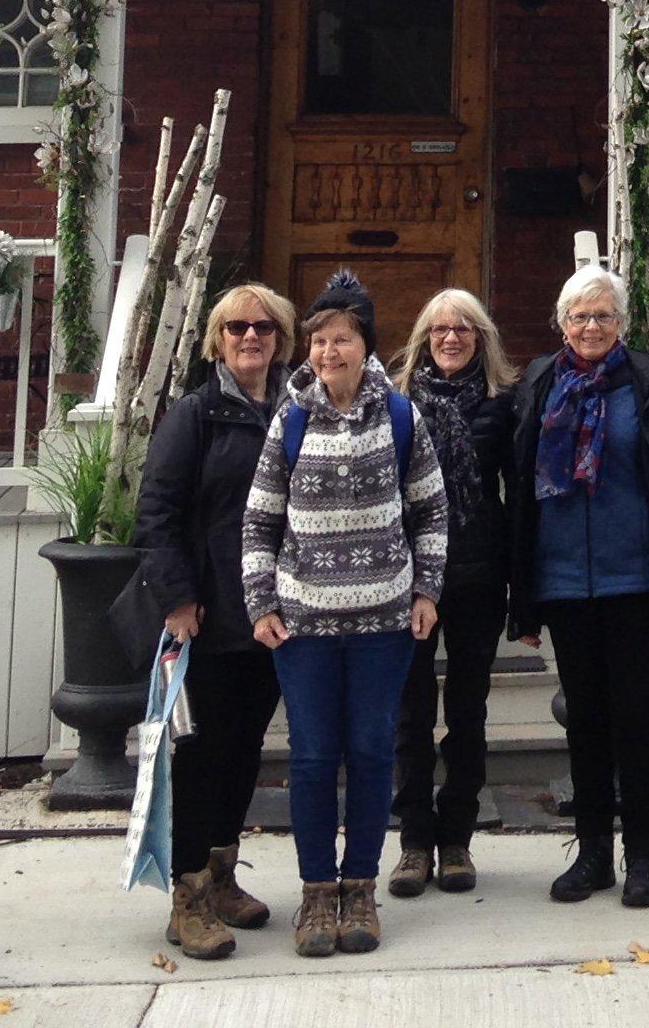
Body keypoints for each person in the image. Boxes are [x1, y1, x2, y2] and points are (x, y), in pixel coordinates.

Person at [242, 269, 447, 960]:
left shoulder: (399, 417)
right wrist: (261, 602)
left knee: (369, 753)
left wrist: (427, 592)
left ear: (367, 348)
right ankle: (315, 894)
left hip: (383, 624)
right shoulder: (291, 418)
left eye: (343, 340)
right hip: (302, 629)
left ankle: (360, 887)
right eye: (320, 341)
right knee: (310, 759)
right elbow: (260, 521)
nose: (330, 352)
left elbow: (431, 512)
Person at [504, 264, 649, 910]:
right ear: (562, 323)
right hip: (563, 582)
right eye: (580, 316)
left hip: (632, 579)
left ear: (621, 323)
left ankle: (642, 857)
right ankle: (592, 853)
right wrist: (524, 592)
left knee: (636, 721)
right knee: (585, 721)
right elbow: (518, 492)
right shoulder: (540, 384)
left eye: (603, 315)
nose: (591, 326)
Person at [131, 280, 295, 962]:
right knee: (201, 756)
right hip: (209, 613)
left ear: (280, 338)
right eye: (236, 329)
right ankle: (188, 898)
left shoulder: (297, 409)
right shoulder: (196, 416)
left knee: (245, 750)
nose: (250, 337)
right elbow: (158, 508)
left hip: (277, 615)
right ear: (217, 341)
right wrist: (176, 596)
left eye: (263, 327)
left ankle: (224, 878)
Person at [389, 287, 515, 897]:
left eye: (464, 328)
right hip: (407, 578)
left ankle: (457, 839)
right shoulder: (394, 406)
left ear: (481, 338)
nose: (451, 337)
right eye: (439, 329)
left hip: (477, 575)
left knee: (467, 711)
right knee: (411, 713)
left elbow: (516, 496)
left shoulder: (502, 406)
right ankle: (414, 840)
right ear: (423, 340)